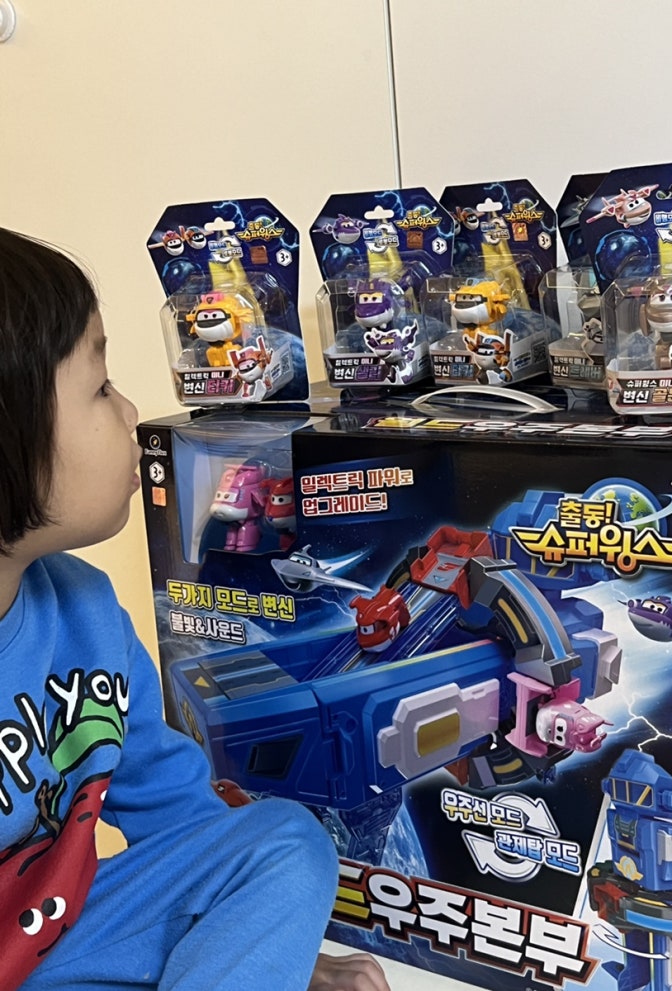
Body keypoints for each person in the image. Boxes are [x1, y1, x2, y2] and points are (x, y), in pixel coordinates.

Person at [0, 227, 390, 991]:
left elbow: (172, 804)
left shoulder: (84, 608)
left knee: (284, 840)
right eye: (99, 388)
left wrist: (255, 942)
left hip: (55, 937)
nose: (132, 410)